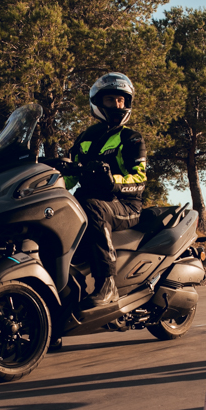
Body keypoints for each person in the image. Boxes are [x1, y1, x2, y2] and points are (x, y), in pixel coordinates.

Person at [60, 72, 148, 307]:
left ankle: (107, 284)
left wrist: (113, 182)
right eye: (111, 100)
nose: (117, 105)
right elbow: (69, 176)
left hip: (126, 204)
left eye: (121, 100)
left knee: (92, 208)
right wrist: (49, 178)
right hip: (89, 201)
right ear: (99, 103)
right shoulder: (86, 137)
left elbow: (140, 179)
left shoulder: (131, 139)